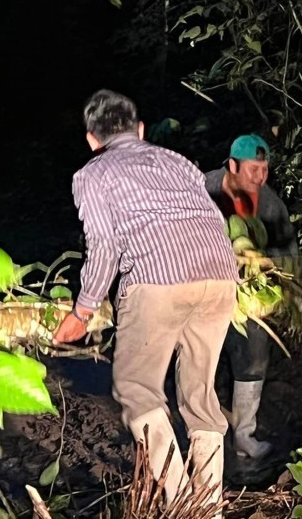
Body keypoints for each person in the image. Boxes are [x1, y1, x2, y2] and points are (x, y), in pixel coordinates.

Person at [53, 90, 239, 511]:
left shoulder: (91, 174)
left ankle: (182, 504)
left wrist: (82, 311)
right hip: (221, 275)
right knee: (200, 395)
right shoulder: (177, 161)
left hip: (158, 278)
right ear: (139, 129)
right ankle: (209, 507)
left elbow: (103, 245)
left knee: (136, 390)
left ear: (91, 140)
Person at [204, 134, 298, 460]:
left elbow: (289, 252)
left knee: (254, 358)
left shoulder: (270, 205)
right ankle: (203, 433)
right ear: (232, 165)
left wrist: (266, 261)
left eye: (264, 170)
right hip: (206, 294)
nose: (259, 177)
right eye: (252, 169)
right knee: (200, 359)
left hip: (250, 299)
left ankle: (244, 435)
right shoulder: (204, 190)